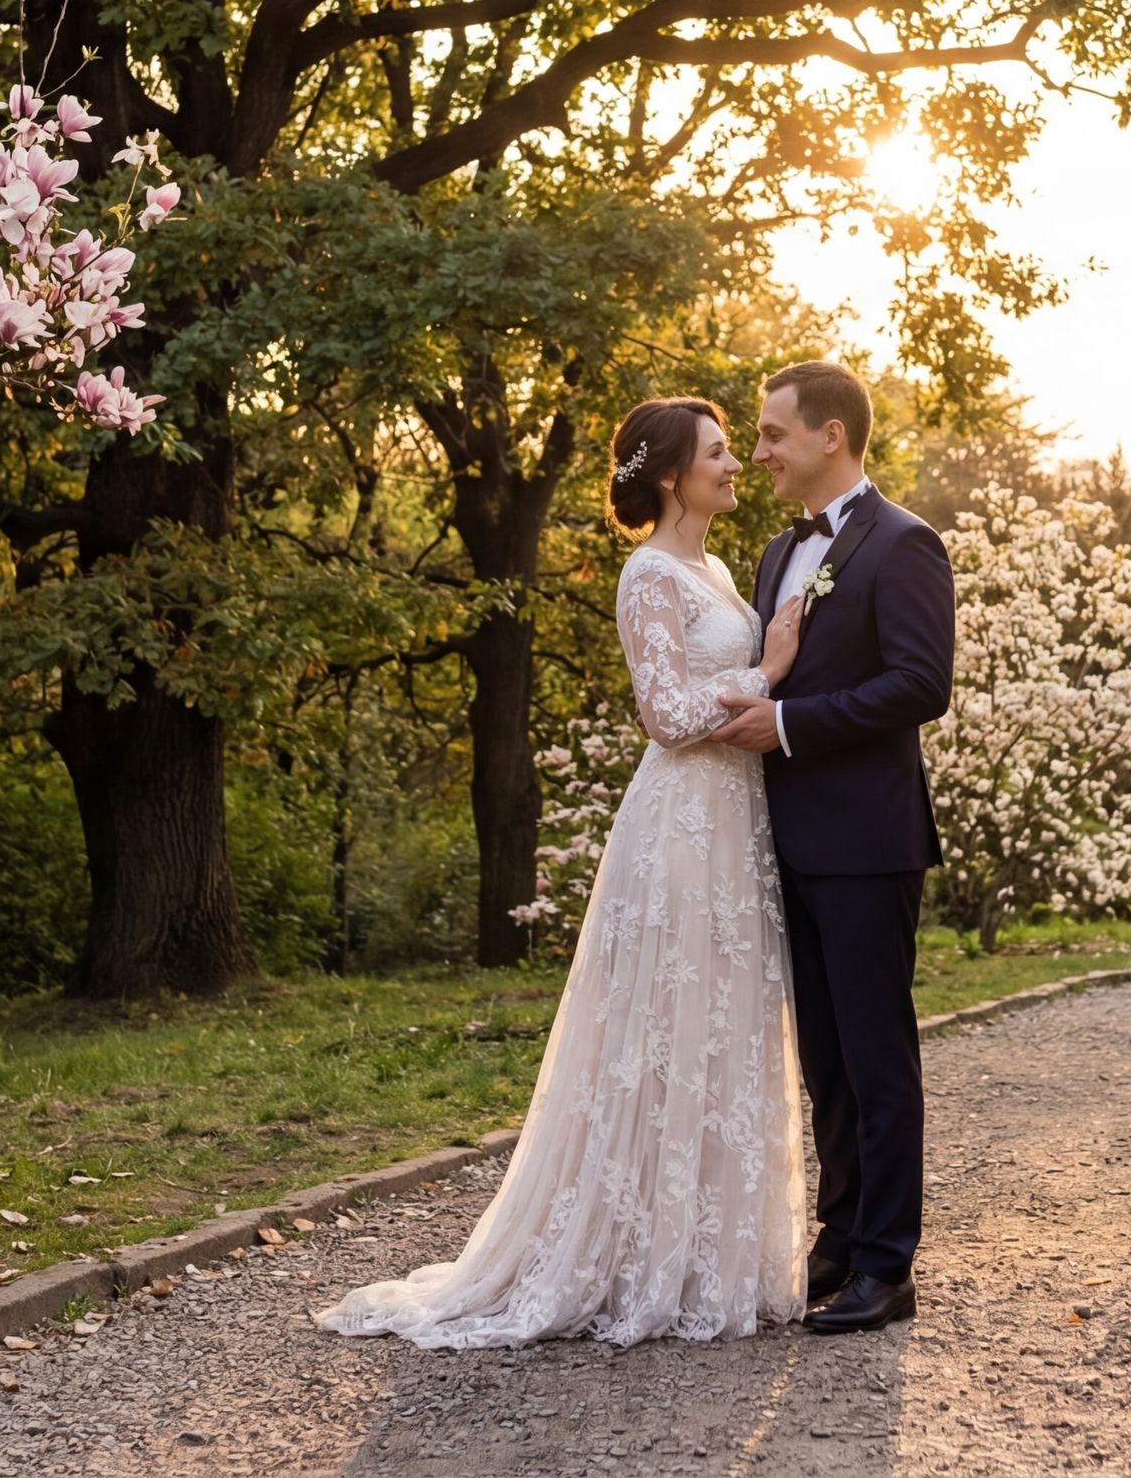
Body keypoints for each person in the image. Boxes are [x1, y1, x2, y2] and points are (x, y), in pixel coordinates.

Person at [315, 397, 811, 1346]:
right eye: (717, 452)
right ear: (671, 474)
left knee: (717, 1021)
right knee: (662, 1027)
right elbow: (664, 711)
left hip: (732, 820)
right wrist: (771, 670)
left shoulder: (712, 568)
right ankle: (628, 1256)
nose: (735, 464)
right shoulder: (646, 572)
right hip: (678, 823)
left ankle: (709, 1254)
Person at [710, 359, 954, 1336]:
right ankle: (841, 1239)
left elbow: (918, 685)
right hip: (791, 845)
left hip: (866, 843)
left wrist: (793, 726)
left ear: (831, 438)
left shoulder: (905, 546)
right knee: (827, 1066)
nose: (759, 451)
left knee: (876, 1058)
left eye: (772, 434)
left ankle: (889, 1268)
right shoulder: (777, 553)